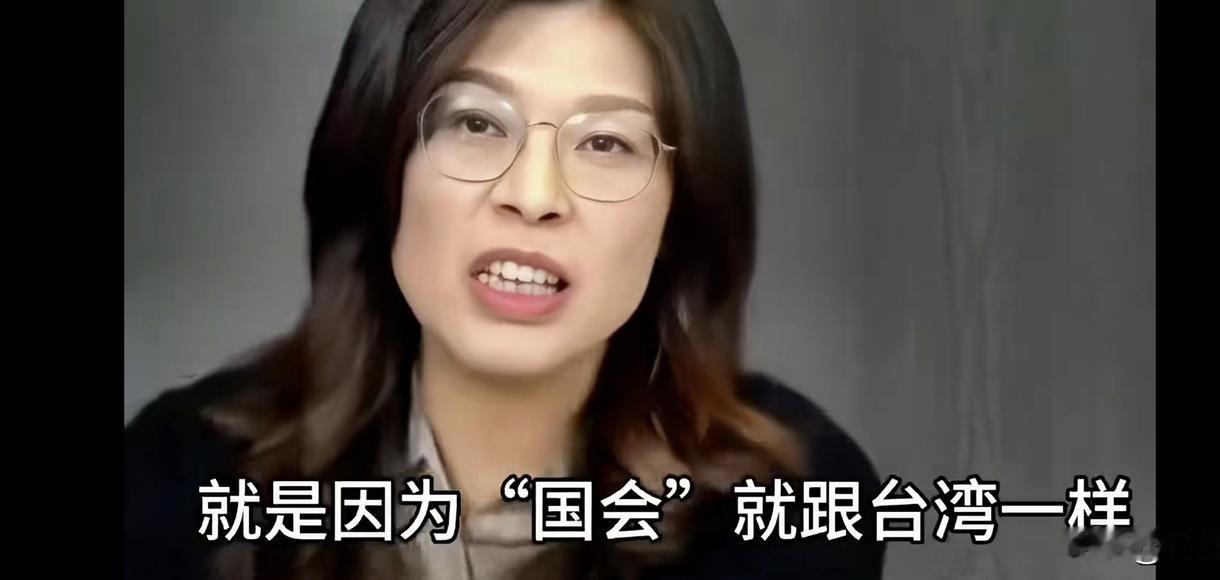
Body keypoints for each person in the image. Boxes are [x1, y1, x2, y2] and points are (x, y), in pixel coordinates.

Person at [123, 0, 885, 578]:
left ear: (680, 213)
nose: (534, 195)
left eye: (606, 142)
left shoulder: (792, 508)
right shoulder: (179, 482)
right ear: (382, 164)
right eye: (478, 124)